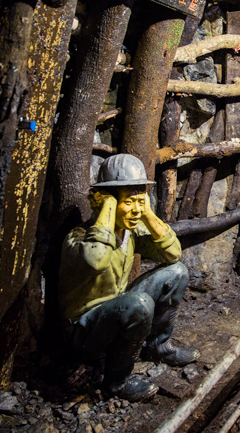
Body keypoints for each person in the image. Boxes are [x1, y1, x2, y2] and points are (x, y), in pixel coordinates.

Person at [59, 153, 199, 402]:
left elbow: (173, 253)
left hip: (118, 312)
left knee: (177, 272)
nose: (135, 210)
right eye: (128, 202)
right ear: (106, 203)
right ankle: (117, 381)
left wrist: (147, 214)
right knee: (138, 303)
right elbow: (96, 260)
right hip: (84, 332)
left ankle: (158, 347)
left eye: (140, 201)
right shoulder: (79, 238)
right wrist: (109, 207)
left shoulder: (130, 233)